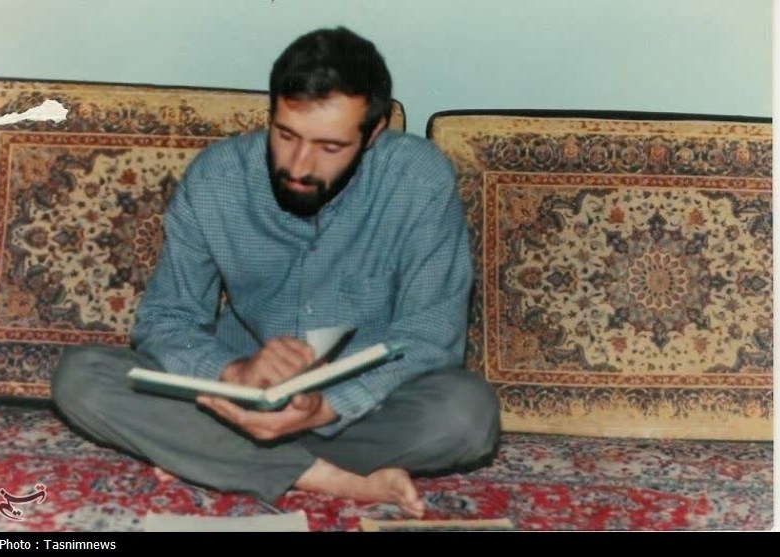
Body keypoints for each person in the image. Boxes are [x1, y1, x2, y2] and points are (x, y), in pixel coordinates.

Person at [52, 26, 499, 518]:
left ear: (373, 134)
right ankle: (330, 477)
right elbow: (166, 319)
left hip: (361, 408)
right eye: (286, 136)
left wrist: (328, 405)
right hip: (235, 403)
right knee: (81, 378)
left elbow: (431, 335)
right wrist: (233, 373)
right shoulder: (216, 179)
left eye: (330, 147)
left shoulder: (418, 180)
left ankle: (209, 455)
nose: (300, 165)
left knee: (467, 416)